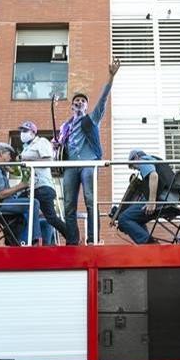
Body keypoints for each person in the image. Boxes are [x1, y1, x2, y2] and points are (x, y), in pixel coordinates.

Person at [56, 57, 121, 244]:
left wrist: (111, 76)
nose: (79, 102)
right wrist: (57, 146)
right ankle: (73, 240)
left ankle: (93, 238)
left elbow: (102, 100)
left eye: (82, 101)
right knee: (68, 204)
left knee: (90, 199)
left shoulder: (91, 119)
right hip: (70, 166)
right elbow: (61, 145)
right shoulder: (65, 126)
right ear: (71, 106)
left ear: (85, 106)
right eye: (76, 100)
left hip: (88, 163)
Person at [19, 121, 72, 244]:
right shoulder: (27, 147)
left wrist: (27, 159)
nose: (22, 133)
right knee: (21, 208)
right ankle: (27, 239)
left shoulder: (41, 142)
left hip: (42, 187)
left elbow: (48, 159)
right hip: (31, 188)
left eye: (25, 131)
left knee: (51, 217)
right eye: (21, 131)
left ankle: (71, 237)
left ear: (33, 132)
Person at [0, 142, 45, 245]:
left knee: (35, 209)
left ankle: (23, 240)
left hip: (1, 203)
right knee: (34, 203)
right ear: (1, 153)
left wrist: (21, 189)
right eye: (9, 154)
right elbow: (0, 195)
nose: (10, 158)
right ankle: (33, 240)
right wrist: (21, 186)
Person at [112, 149, 164, 245]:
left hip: (157, 200)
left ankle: (149, 244)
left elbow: (153, 176)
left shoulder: (143, 160)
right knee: (134, 219)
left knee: (123, 219)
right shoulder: (155, 161)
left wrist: (151, 201)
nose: (136, 169)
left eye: (133, 166)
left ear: (135, 158)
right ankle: (147, 244)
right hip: (164, 198)